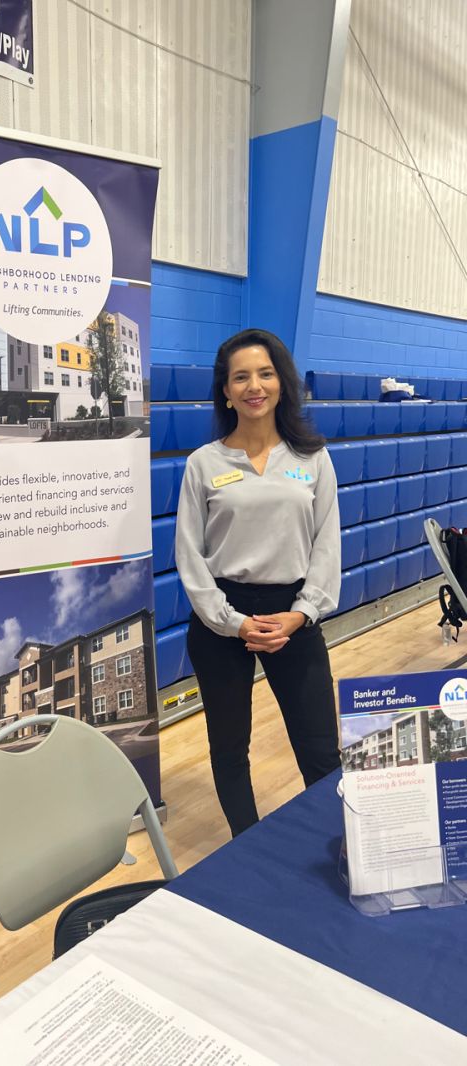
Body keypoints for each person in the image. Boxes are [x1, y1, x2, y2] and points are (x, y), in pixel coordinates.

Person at [175, 328, 341, 837]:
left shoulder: (312, 458)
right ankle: (246, 847)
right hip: (222, 619)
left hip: (293, 613)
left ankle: (336, 843)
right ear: (225, 391)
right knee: (229, 747)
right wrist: (233, 621)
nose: (254, 385)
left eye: (265, 374)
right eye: (240, 376)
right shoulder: (203, 463)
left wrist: (302, 612)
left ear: (282, 383)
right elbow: (190, 555)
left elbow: (326, 545)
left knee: (319, 748)